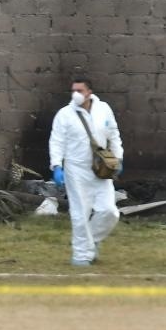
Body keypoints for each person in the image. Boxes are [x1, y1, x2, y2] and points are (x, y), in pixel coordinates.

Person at [48, 77, 123, 266]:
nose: (76, 94)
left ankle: (92, 241)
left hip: (100, 168)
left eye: (80, 91)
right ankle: (81, 255)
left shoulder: (103, 109)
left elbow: (114, 134)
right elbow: (56, 141)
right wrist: (57, 166)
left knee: (109, 211)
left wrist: (118, 158)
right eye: (73, 90)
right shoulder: (65, 114)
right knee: (80, 213)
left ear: (89, 92)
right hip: (76, 169)